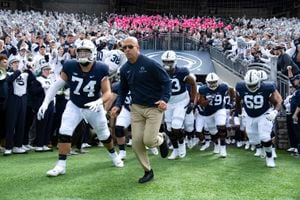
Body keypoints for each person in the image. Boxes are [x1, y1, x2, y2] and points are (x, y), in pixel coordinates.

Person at [37, 39, 124, 177]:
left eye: (86, 52)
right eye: (80, 52)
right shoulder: (70, 65)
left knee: (104, 134)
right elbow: (57, 85)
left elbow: (107, 92)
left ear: (93, 53)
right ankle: (61, 165)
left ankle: (114, 156)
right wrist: (45, 102)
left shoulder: (101, 68)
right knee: (64, 131)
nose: (83, 55)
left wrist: (99, 101)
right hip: (75, 104)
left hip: (94, 106)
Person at [111, 36, 171, 184]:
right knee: (137, 143)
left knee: (150, 141)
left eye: (130, 47)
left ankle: (162, 138)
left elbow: (166, 81)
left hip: (154, 107)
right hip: (136, 108)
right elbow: (123, 90)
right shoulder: (125, 69)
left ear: (138, 48)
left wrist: (164, 99)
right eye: (124, 48)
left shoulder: (150, 64)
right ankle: (147, 171)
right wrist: (118, 105)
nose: (127, 50)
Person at [235, 69, 282, 167]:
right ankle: (262, 149)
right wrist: (238, 114)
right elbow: (237, 101)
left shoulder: (267, 87)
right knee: (253, 140)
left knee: (265, 136)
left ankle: (269, 158)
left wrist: (275, 111)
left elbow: (278, 100)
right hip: (249, 114)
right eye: (249, 84)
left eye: (254, 84)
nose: (252, 87)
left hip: (264, 113)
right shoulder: (240, 86)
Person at [160, 50, 197, 160]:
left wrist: (192, 101)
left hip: (181, 101)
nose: (167, 64)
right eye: (165, 62)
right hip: (169, 102)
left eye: (170, 61)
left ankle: (181, 146)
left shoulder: (182, 71)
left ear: (175, 61)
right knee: (169, 129)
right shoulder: (161, 72)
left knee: (176, 126)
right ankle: (175, 149)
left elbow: (193, 83)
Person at [197, 72, 235, 158]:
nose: (212, 84)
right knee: (213, 132)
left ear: (217, 81)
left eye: (214, 82)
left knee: (221, 126)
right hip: (208, 112)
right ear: (207, 82)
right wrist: (207, 101)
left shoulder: (223, 87)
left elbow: (232, 89)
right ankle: (216, 144)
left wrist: (232, 100)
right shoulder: (203, 89)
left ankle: (223, 148)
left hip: (220, 109)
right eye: (210, 82)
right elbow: (201, 103)